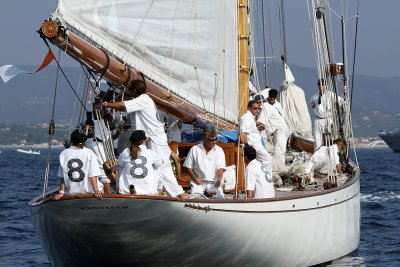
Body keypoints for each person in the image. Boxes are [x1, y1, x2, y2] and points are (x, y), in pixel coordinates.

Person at [97, 78, 189, 198]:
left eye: (129, 90)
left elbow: (122, 106)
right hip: (148, 138)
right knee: (151, 164)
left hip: (156, 138)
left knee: (163, 166)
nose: (128, 92)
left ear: (134, 90)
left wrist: (105, 104)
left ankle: (178, 193)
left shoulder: (143, 100)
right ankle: (153, 190)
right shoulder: (140, 101)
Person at [54, 130, 103, 200]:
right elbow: (93, 174)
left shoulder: (64, 153)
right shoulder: (89, 153)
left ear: (72, 140)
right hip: (89, 193)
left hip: (71, 193)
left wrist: (61, 192)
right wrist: (96, 191)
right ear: (84, 141)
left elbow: (63, 176)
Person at [183, 127, 226, 198]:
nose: (214, 142)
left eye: (216, 139)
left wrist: (219, 180)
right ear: (205, 138)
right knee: (195, 199)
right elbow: (188, 166)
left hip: (214, 183)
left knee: (220, 199)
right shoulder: (195, 149)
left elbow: (220, 168)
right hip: (198, 183)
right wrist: (194, 178)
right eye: (211, 140)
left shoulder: (219, 150)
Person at [117, 130, 163, 195]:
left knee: (122, 167)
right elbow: (159, 163)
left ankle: (119, 190)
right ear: (143, 141)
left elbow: (120, 163)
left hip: (128, 191)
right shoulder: (150, 153)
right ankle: (158, 190)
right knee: (157, 167)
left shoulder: (125, 152)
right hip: (149, 191)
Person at [256, 89, 289, 165]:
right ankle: (273, 165)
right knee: (272, 148)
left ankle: (281, 168)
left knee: (279, 150)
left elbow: (259, 122)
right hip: (273, 130)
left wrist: (247, 125)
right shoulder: (265, 106)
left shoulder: (268, 106)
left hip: (281, 129)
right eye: (271, 97)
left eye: (273, 97)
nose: (272, 98)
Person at [309, 78, 343, 150]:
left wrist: (335, 109)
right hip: (318, 120)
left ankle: (329, 155)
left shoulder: (331, 94)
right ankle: (318, 155)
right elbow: (311, 103)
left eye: (322, 85)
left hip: (327, 119)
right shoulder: (315, 96)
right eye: (319, 85)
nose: (321, 87)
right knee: (317, 140)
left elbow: (341, 101)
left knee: (329, 140)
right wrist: (316, 110)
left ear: (326, 86)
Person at [84, 116, 112, 194]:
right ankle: (108, 194)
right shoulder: (93, 140)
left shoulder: (101, 119)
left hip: (95, 144)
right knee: (103, 170)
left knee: (102, 170)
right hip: (95, 144)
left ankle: (107, 193)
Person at [240, 100, 272, 166]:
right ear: (249, 108)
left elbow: (250, 131)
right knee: (268, 159)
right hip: (254, 145)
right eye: (255, 108)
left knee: (258, 163)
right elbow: (243, 134)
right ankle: (264, 176)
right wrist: (247, 147)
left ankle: (260, 175)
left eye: (258, 108)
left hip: (256, 145)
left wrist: (257, 129)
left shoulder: (251, 117)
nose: (257, 110)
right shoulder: (247, 117)